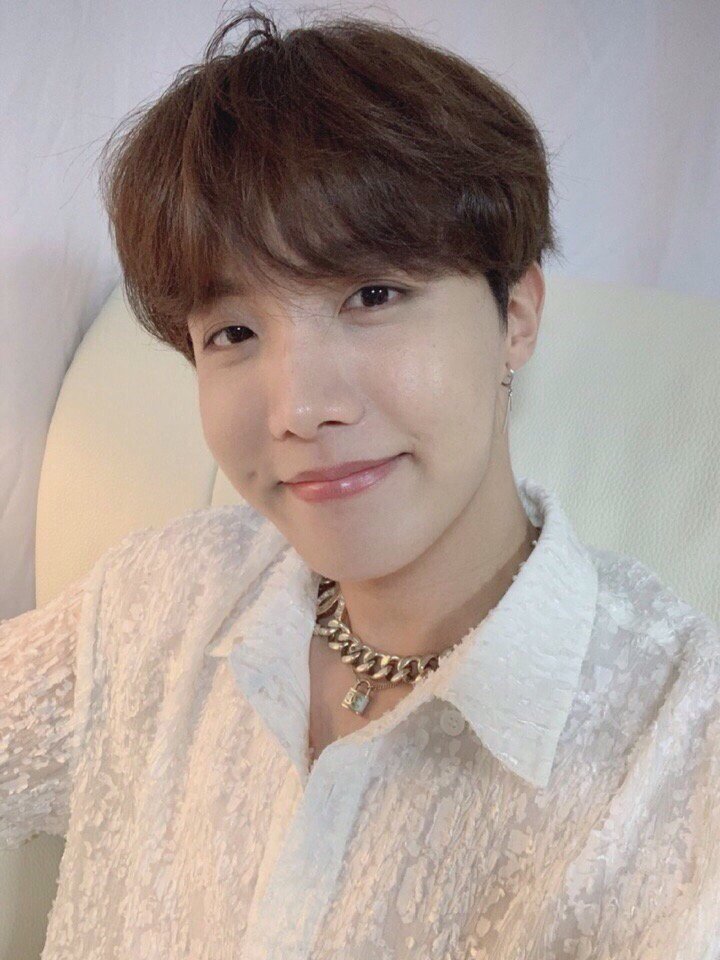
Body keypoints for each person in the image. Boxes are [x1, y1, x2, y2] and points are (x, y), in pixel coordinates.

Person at [1, 6, 718, 958]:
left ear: (515, 315)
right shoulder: (155, 604)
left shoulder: (678, 754)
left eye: (372, 295)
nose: (299, 408)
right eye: (234, 333)